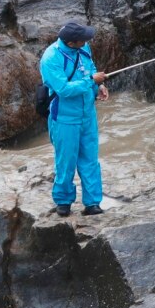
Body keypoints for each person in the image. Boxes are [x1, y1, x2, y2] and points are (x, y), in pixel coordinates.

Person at [39, 21, 109, 217]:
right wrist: (90, 82)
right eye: (84, 38)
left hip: (87, 114)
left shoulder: (84, 47)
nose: (88, 40)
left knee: (90, 159)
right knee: (66, 161)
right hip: (64, 118)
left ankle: (92, 203)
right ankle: (63, 202)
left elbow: (90, 68)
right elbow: (63, 89)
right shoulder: (51, 58)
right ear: (72, 42)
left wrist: (99, 87)